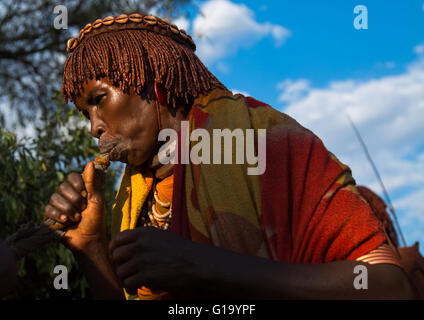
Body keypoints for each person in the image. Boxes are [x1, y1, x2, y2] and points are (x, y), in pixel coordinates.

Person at [44, 13, 415, 299]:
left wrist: (201, 265)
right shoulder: (132, 198)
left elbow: (387, 286)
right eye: (84, 113)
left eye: (98, 100)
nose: (94, 126)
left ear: (153, 84)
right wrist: (91, 246)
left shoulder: (267, 143)